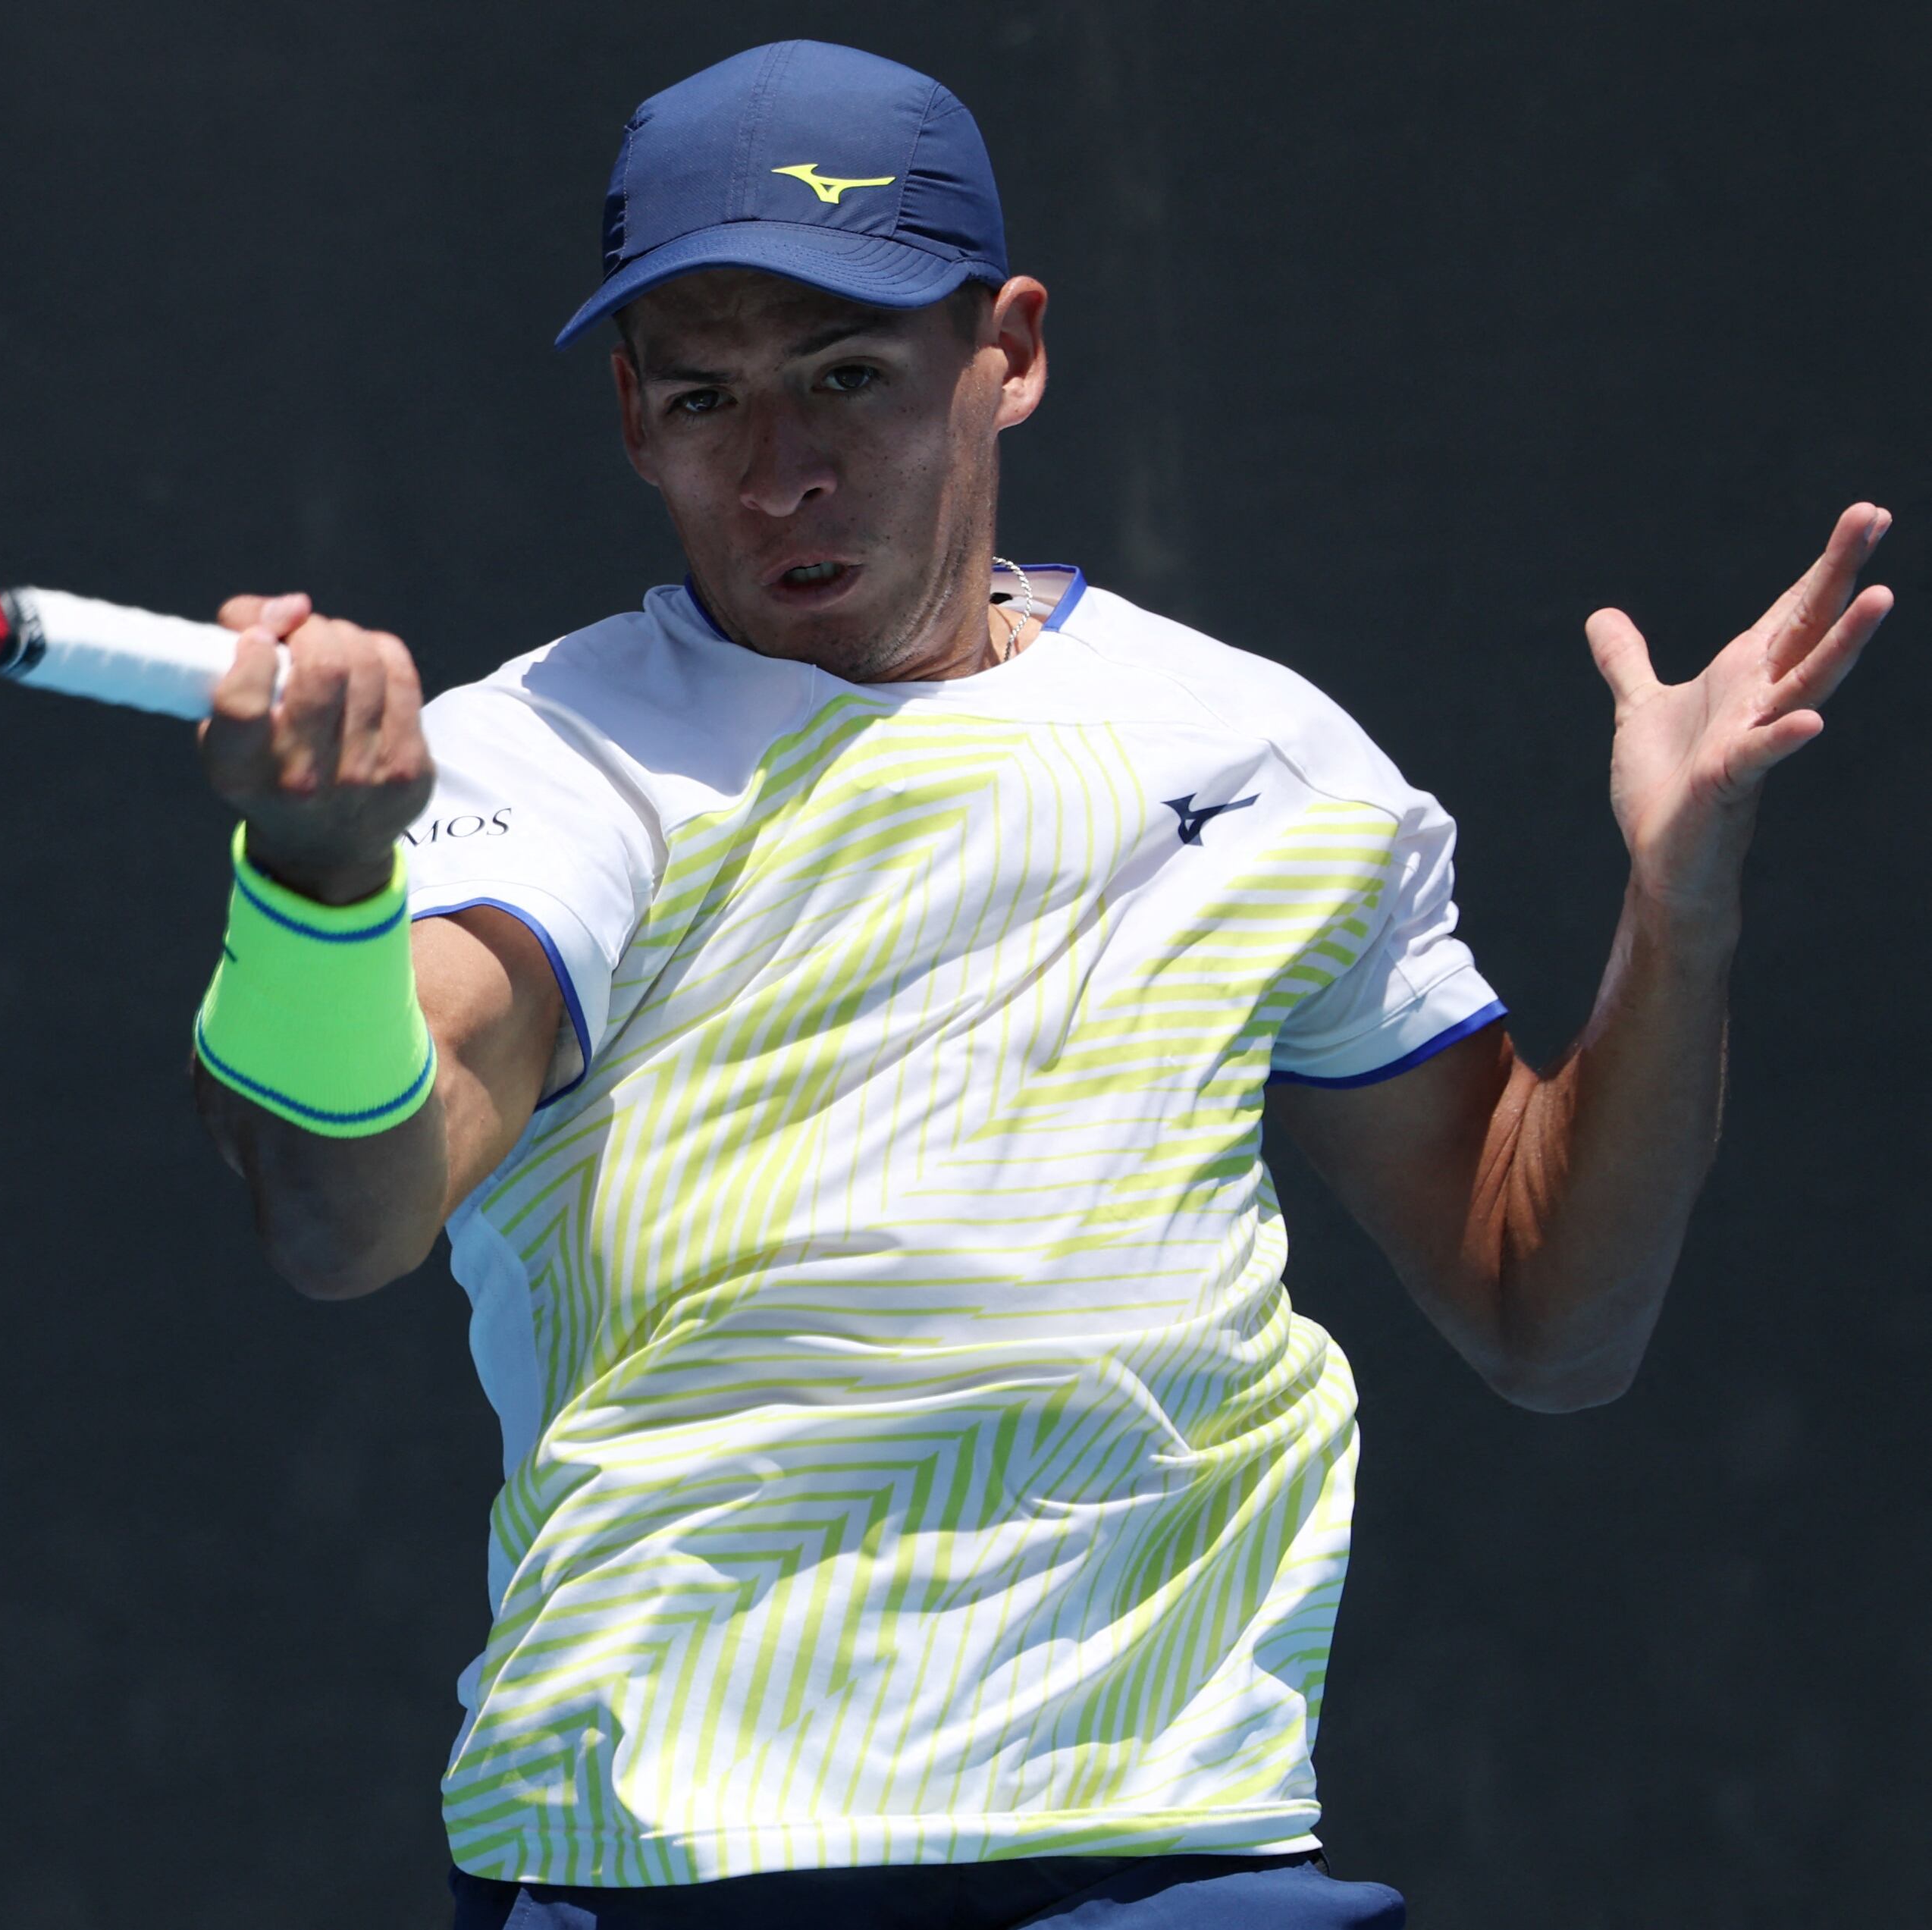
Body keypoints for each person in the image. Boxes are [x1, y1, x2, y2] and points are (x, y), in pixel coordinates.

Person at [184, 40, 1891, 1930]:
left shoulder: (1260, 756)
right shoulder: (549, 759)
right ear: (630, 416)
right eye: (707, 399)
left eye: (849, 377)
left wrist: (1679, 909)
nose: (782, 472)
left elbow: (1545, 1311)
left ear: (1007, 348)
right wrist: (316, 881)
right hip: (662, 1863)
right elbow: (350, 1215)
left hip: (1176, 1845)